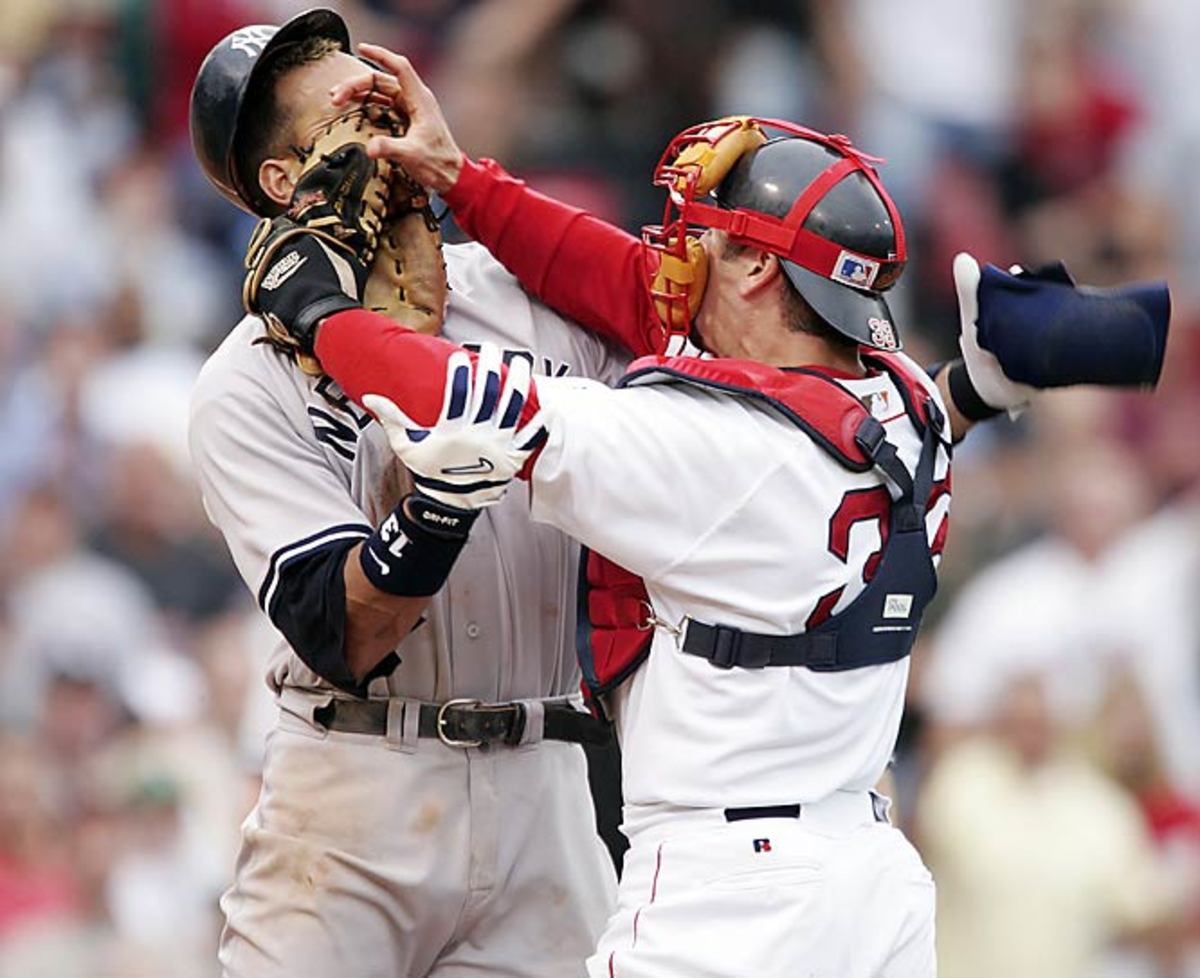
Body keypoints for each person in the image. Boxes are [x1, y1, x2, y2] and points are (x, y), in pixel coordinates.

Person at [244, 43, 1171, 977]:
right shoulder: (909, 399)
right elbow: (628, 285)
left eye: (706, 238)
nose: (672, 256)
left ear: (760, 270)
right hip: (870, 881)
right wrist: (463, 179)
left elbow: (460, 401)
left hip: (731, 899)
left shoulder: (710, 444)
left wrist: (320, 311)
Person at [186, 10, 627, 978]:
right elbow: (345, 633)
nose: (388, 135)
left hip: (546, 783)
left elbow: (686, 335)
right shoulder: (246, 381)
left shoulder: (526, 293)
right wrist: (436, 511)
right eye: (353, 119)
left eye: (390, 107)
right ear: (283, 181)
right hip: (352, 802)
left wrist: (473, 183)